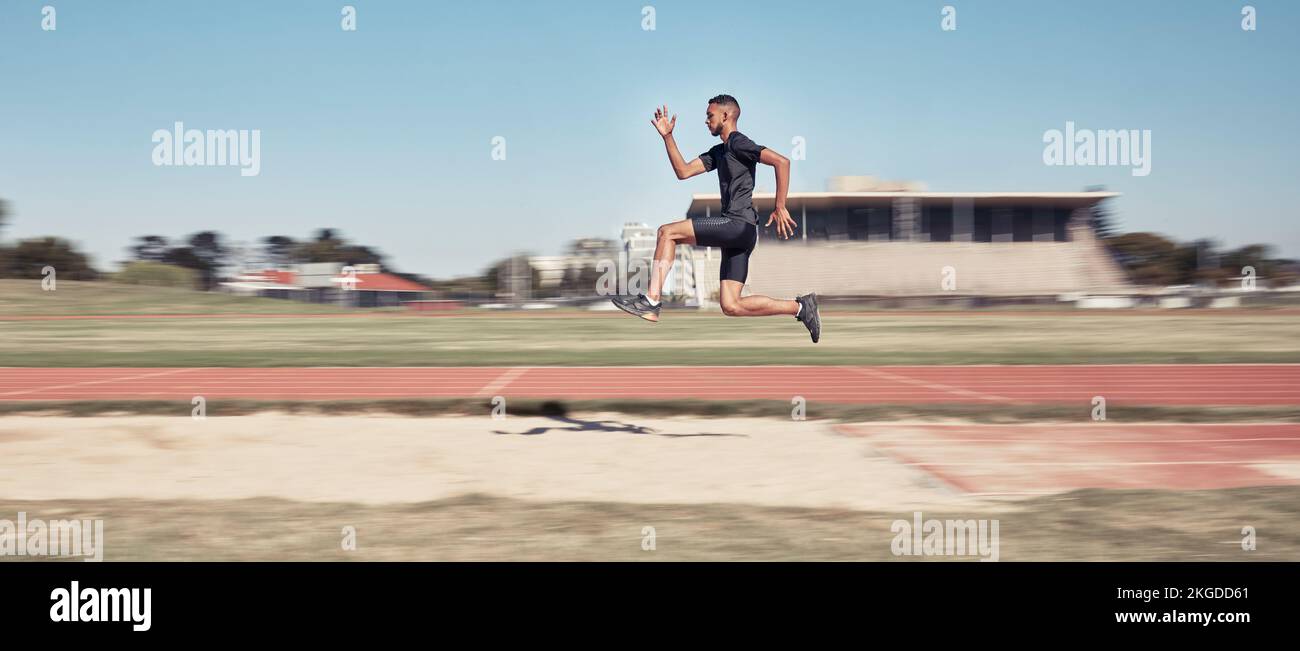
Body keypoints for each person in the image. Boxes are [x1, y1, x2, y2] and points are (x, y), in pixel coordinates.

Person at [611, 94, 820, 343]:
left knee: (666, 232)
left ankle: (651, 300)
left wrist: (780, 206)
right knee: (731, 305)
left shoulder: (738, 142)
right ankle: (800, 308)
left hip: (737, 224)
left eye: (709, 115)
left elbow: (782, 162)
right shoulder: (720, 151)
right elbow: (683, 171)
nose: (706, 121)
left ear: (726, 115)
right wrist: (668, 137)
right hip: (741, 234)